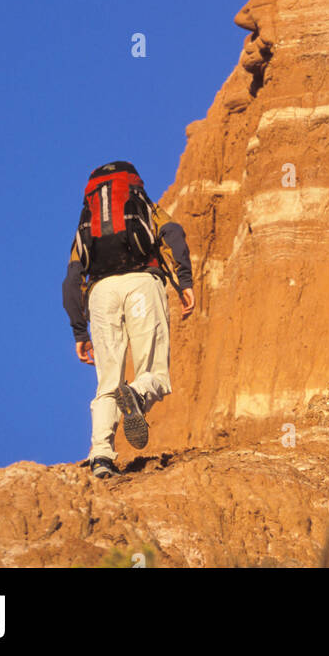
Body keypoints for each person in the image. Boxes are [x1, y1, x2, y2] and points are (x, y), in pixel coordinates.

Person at [62, 160, 194, 477]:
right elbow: (173, 234)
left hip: (101, 293)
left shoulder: (88, 220)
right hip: (142, 284)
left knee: (108, 382)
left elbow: (71, 279)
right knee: (155, 374)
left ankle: (101, 457)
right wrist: (185, 281)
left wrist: (80, 332)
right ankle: (137, 393)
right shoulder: (144, 205)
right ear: (134, 183)